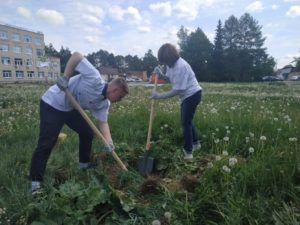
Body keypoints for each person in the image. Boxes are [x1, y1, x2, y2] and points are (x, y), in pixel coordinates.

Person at [29, 52, 129, 193]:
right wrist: (66, 77)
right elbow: (76, 56)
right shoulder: (94, 78)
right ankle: (35, 183)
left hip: (70, 108)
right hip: (53, 103)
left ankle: (84, 164)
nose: (120, 100)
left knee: (87, 132)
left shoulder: (104, 104)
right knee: (47, 142)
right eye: (120, 96)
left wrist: (109, 142)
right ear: (115, 89)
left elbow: (103, 123)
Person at [151, 43, 202, 160]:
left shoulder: (181, 66)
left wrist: (159, 96)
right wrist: (161, 74)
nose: (164, 64)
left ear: (170, 57)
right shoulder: (171, 65)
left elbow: (178, 89)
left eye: (165, 61)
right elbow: (171, 79)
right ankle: (196, 144)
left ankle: (188, 153)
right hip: (186, 96)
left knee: (185, 123)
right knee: (187, 121)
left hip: (192, 95)